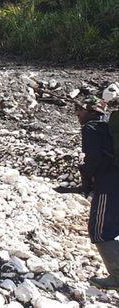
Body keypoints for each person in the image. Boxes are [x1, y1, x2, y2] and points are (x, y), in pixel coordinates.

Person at [75, 97, 119, 290]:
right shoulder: (110, 129)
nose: (77, 113)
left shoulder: (91, 129)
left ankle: (117, 278)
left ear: (92, 111)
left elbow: (91, 160)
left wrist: (86, 179)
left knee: (100, 231)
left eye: (79, 109)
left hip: (108, 186)